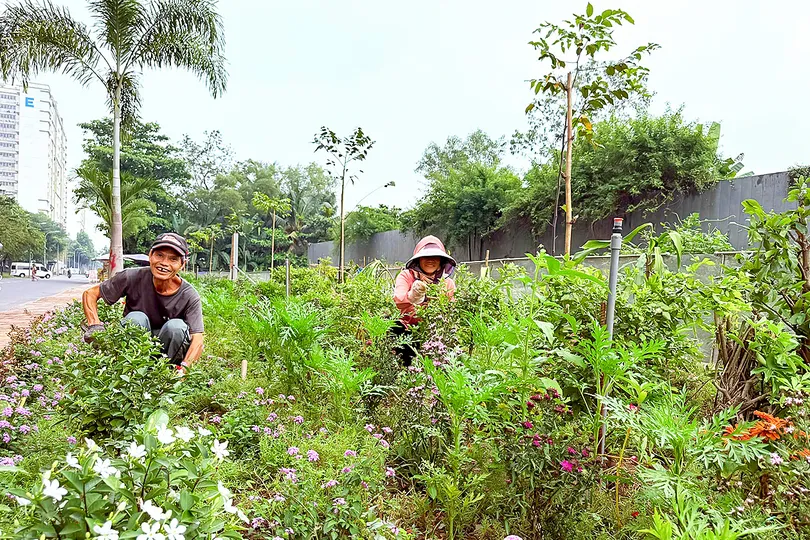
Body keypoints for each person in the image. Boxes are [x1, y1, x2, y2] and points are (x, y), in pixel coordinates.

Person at [81, 233, 204, 374]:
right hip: (134, 352)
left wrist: (183, 370)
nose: (164, 263)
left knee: (176, 327)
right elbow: (90, 294)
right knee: (136, 318)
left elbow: (198, 341)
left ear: (182, 265)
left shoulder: (189, 295)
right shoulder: (131, 277)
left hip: (169, 355)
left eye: (173, 259)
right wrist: (94, 325)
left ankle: (165, 374)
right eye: (159, 255)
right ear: (150, 255)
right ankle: (130, 372)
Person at [392, 235, 457, 365]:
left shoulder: (447, 283)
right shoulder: (407, 276)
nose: (430, 260)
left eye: (435, 257)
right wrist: (414, 295)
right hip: (408, 330)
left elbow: (453, 310)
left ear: (441, 260)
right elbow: (399, 299)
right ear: (418, 259)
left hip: (436, 333)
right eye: (426, 256)